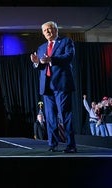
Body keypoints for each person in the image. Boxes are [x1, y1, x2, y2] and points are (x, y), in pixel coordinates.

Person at [30, 21, 77, 153]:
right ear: (43, 33)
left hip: (61, 84)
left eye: (50, 29)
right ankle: (53, 144)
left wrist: (51, 59)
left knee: (65, 115)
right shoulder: (41, 47)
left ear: (56, 30)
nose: (48, 32)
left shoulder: (66, 42)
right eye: (45, 31)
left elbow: (68, 57)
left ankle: (71, 145)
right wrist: (36, 63)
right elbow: (41, 66)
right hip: (46, 86)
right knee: (50, 117)